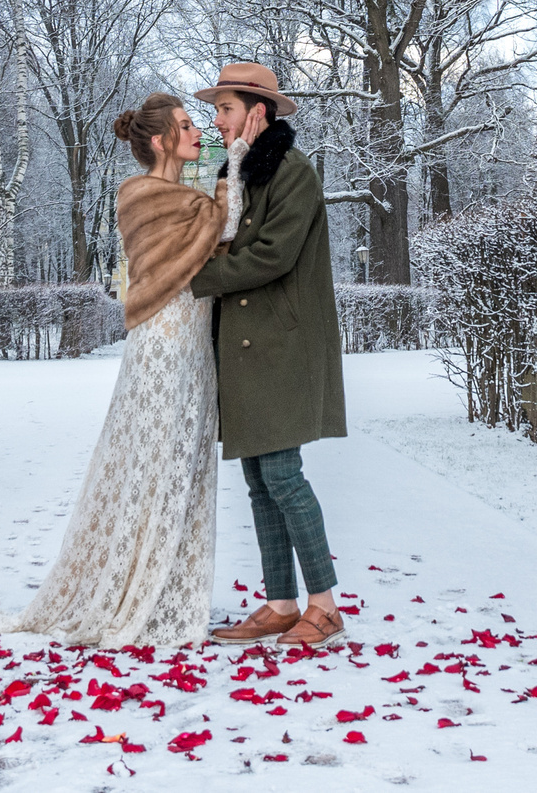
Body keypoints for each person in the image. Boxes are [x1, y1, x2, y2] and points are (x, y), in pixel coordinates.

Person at [0, 94, 224, 646]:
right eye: (185, 125)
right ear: (161, 140)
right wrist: (234, 165)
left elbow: (213, 232)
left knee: (183, 463)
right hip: (164, 341)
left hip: (194, 343)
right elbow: (218, 227)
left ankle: (166, 587)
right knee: (154, 461)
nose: (197, 132)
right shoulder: (141, 195)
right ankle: (134, 588)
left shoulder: (188, 198)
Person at [188, 61, 350, 647]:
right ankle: (281, 603)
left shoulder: (292, 172)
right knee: (259, 479)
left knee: (283, 474)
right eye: (214, 111)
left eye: (224, 109)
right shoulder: (243, 171)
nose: (216, 120)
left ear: (257, 112)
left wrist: (194, 278)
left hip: (283, 345)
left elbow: (273, 255)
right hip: (246, 347)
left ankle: (324, 606)